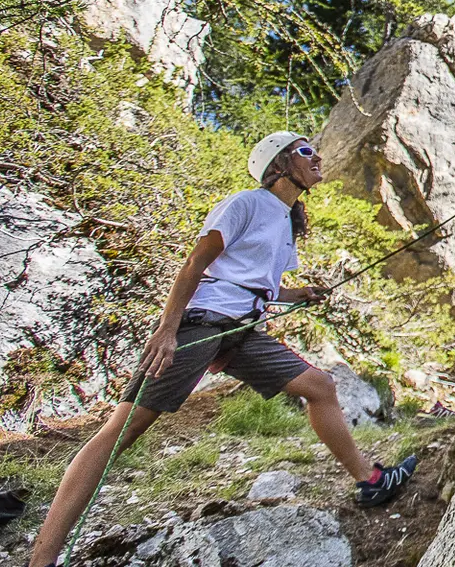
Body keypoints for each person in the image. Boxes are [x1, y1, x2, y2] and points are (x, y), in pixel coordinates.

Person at [28, 132, 416, 567]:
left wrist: (298, 293)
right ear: (279, 166)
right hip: (202, 324)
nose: (318, 156)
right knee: (125, 428)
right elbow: (197, 262)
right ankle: (42, 559)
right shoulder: (245, 204)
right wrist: (166, 330)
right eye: (306, 151)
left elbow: (255, 282)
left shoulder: (286, 220)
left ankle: (369, 480)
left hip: (243, 331)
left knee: (320, 386)